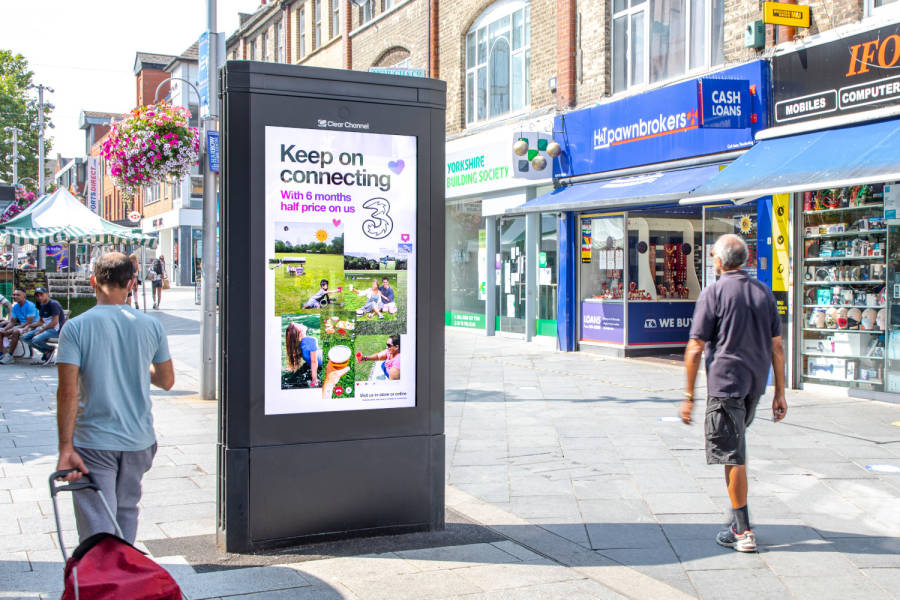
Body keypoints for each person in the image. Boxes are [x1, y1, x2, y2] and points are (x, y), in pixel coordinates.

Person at [55, 252, 174, 544]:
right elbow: (167, 381)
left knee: (98, 524)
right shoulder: (151, 326)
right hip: (139, 440)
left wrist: (65, 447)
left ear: (93, 281)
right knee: (126, 513)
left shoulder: (76, 327)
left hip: (94, 441)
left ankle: (103, 583)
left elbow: (67, 392)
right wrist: (135, 363)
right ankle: (124, 577)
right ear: (132, 283)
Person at [681, 234, 786, 553]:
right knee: (735, 448)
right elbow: (777, 347)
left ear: (719, 261)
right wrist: (779, 392)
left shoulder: (713, 293)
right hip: (755, 384)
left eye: (712, 254)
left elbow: (695, 347)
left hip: (726, 384)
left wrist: (688, 396)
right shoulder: (762, 292)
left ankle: (743, 531)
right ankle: (735, 519)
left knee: (732, 454)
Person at [21, 286, 65, 365]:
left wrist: (41, 331)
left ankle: (51, 349)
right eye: (37, 295)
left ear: (47, 294)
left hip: (56, 330)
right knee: (24, 337)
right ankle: (46, 351)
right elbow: (41, 322)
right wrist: (28, 326)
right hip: (46, 329)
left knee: (36, 339)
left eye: (41, 294)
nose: (39, 297)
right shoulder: (41, 306)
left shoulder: (53, 304)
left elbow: (54, 322)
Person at [0, 288, 38, 364]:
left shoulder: (30, 306)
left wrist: (15, 328)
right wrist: (4, 329)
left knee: (15, 331)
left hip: (34, 326)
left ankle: (10, 356)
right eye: (14, 295)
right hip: (22, 326)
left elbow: (29, 322)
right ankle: (3, 354)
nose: (15, 296)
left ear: (24, 296)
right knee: (1, 331)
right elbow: (12, 322)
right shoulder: (15, 307)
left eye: (18, 295)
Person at [283, 321, 321, 388]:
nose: (301, 324)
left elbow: (295, 354)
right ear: (299, 333)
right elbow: (314, 361)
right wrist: (314, 379)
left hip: (317, 359)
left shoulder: (296, 343)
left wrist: (292, 367)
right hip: (322, 361)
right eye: (299, 325)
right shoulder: (311, 340)